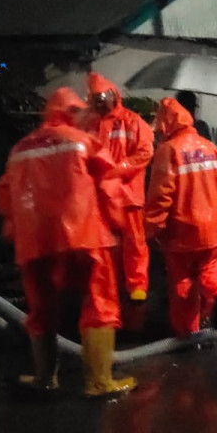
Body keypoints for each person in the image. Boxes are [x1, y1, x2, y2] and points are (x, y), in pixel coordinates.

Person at [0, 87, 137, 397]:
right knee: (99, 301)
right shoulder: (82, 142)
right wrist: (117, 224)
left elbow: (4, 195)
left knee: (41, 307)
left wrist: (18, 230)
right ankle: (99, 382)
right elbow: (108, 184)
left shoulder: (19, 148)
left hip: (35, 238)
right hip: (84, 232)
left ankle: (45, 377)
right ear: (72, 113)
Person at [144, 98, 217, 338]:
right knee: (212, 269)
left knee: (182, 282)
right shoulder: (210, 148)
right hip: (215, 228)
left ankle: (187, 335)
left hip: (182, 232)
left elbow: (160, 197)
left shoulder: (168, 151)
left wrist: (150, 230)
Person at [87, 72, 155, 304]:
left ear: (112, 95)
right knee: (108, 243)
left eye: (102, 97)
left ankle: (137, 284)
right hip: (103, 196)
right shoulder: (93, 125)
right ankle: (112, 284)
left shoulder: (133, 121)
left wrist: (118, 170)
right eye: (95, 99)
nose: (100, 103)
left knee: (134, 242)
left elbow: (145, 152)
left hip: (128, 195)